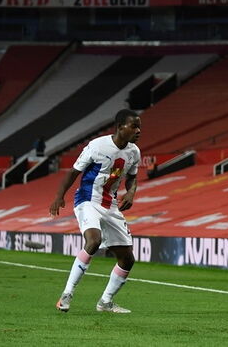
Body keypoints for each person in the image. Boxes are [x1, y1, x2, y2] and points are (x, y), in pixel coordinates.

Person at [49, 109, 142, 314]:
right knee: (94, 240)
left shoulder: (134, 152)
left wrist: (131, 192)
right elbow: (74, 171)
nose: (138, 131)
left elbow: (133, 177)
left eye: (139, 127)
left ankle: (105, 302)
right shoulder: (97, 146)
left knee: (127, 259)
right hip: (88, 200)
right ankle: (66, 294)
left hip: (111, 205)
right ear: (120, 127)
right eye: (134, 126)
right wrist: (59, 196)